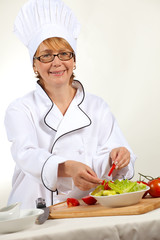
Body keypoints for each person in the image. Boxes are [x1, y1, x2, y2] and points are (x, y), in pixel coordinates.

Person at [4, 0, 136, 209]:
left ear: (74, 60)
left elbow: (109, 157)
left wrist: (117, 157)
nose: (56, 62)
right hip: (33, 211)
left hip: (84, 207)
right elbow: (26, 155)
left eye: (64, 53)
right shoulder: (20, 109)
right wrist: (68, 168)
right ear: (34, 64)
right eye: (46, 55)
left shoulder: (97, 107)